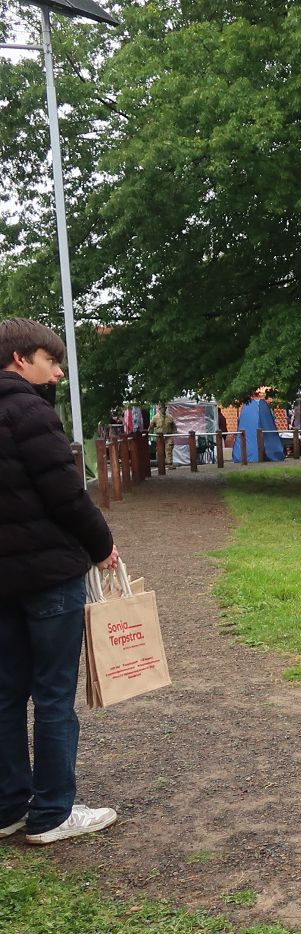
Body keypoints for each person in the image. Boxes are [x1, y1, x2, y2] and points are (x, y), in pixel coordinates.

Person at [0, 318, 120, 846]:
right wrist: (101, 545)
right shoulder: (29, 412)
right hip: (48, 574)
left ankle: (8, 806)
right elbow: (66, 494)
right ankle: (52, 813)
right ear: (21, 358)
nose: (57, 374)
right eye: (51, 361)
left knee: (5, 693)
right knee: (52, 694)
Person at [150, 402, 176, 466]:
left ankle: (169, 463)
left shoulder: (170, 417)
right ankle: (160, 463)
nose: (164, 409)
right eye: (162, 408)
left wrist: (173, 434)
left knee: (169, 448)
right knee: (160, 450)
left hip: (168, 435)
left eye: (165, 408)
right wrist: (150, 436)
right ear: (159, 409)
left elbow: (174, 426)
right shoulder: (155, 417)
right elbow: (151, 427)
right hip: (159, 436)